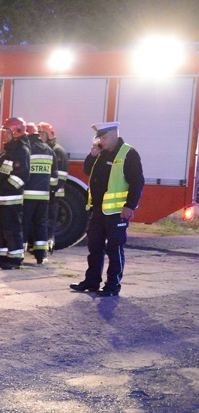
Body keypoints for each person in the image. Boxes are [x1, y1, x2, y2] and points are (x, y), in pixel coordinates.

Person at [70, 122, 144, 297]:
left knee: (114, 248)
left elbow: (137, 182)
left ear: (113, 134)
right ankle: (92, 281)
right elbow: (88, 171)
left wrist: (130, 206)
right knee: (94, 247)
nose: (100, 141)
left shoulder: (128, 153)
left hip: (117, 212)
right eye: (99, 138)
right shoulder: (101, 153)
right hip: (98, 210)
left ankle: (112, 285)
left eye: (103, 138)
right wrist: (92, 155)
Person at [0, 117, 30, 269]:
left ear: (16, 132)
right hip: (0, 199)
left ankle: (15, 259)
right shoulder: (8, 151)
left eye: (8, 131)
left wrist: (4, 188)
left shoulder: (21, 151)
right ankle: (3, 257)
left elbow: (21, 176)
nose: (5, 134)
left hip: (11, 199)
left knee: (12, 229)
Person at [22, 122, 56, 264]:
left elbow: (23, 171)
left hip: (28, 195)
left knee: (25, 224)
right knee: (41, 224)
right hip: (44, 196)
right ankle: (41, 256)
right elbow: (54, 177)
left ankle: (19, 254)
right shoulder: (49, 150)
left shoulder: (27, 149)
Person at [39, 121, 68, 253]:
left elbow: (60, 175)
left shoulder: (57, 150)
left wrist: (53, 189)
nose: (40, 136)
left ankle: (48, 247)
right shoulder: (46, 149)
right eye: (39, 133)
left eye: (42, 133)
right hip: (47, 192)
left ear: (49, 135)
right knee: (44, 219)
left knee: (50, 220)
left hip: (54, 193)